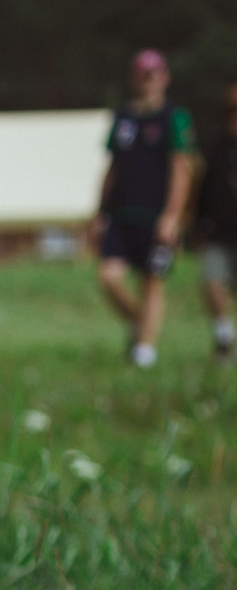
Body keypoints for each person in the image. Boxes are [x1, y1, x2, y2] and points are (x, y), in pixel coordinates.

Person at [94, 49, 198, 369]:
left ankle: (144, 351)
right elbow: (112, 167)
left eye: (155, 74)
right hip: (121, 214)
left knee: (152, 281)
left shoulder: (174, 118)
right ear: (133, 78)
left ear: (165, 77)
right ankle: (140, 324)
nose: (149, 81)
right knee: (109, 277)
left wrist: (172, 215)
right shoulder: (122, 118)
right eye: (143, 74)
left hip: (156, 216)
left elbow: (182, 170)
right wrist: (99, 211)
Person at [191, 85, 237, 365]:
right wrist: (198, 224)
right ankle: (223, 337)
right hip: (219, 232)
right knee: (212, 282)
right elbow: (204, 188)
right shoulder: (217, 147)